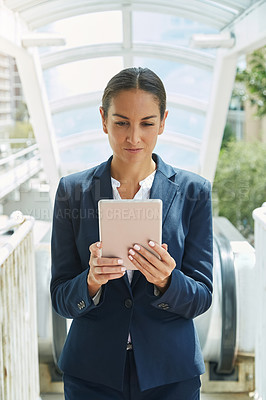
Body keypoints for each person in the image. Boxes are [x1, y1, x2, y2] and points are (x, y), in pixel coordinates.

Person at [50, 67, 213, 400]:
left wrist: (169, 281)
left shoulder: (195, 192)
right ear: (103, 119)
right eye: (121, 122)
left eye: (147, 123)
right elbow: (60, 297)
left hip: (171, 375)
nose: (133, 137)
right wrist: (91, 281)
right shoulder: (72, 191)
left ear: (163, 122)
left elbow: (202, 296)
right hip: (91, 374)